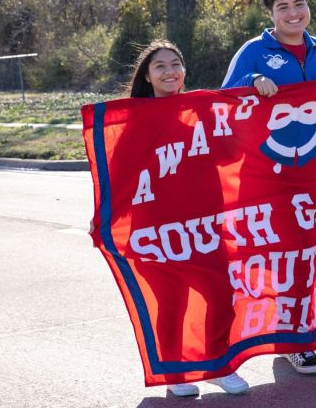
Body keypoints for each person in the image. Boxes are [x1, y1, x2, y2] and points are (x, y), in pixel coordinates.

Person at [221, 0, 316, 374]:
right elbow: (224, 101)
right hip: (267, 176)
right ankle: (288, 337)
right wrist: (252, 80)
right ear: (271, 14)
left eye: (299, 4)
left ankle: (294, 332)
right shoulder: (254, 51)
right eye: (283, 6)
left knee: (311, 255)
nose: (293, 12)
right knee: (281, 255)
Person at [126, 40, 250, 397]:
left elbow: (228, 155)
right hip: (158, 227)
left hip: (204, 225)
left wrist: (215, 117)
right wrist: (105, 217)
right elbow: (121, 176)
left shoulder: (200, 108)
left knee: (222, 293)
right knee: (172, 302)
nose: (169, 71)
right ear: (147, 77)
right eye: (160, 66)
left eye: (175, 63)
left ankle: (217, 364)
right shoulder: (136, 117)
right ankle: (174, 371)